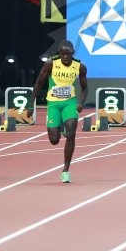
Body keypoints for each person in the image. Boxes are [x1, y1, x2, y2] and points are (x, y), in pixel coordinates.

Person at [31, 41, 88, 183]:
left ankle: (66, 170)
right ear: (59, 53)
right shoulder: (51, 63)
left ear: (73, 53)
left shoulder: (80, 66)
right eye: (63, 54)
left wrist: (81, 102)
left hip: (70, 103)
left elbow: (84, 87)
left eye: (68, 54)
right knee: (54, 140)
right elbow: (38, 83)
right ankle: (61, 125)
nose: (66, 57)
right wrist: (30, 105)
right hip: (54, 104)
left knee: (71, 133)